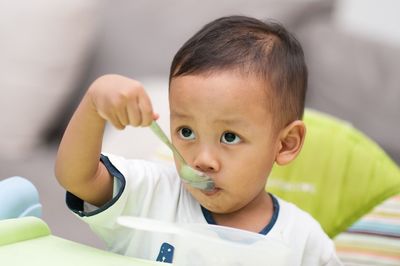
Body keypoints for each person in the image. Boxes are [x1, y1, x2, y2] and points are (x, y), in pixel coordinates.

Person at [55, 15, 342, 265]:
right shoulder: (151, 193)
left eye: (229, 137)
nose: (202, 159)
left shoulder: (305, 242)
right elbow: (78, 178)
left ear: (286, 144)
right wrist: (95, 102)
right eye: (186, 132)